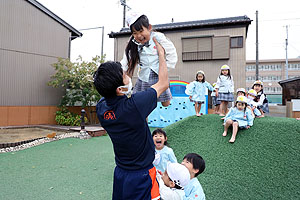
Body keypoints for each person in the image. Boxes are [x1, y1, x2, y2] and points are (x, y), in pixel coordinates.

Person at [94, 37, 168, 200]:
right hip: (141, 175)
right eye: (124, 74)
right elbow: (163, 83)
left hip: (121, 173)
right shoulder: (134, 106)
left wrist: (132, 50)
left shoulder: (101, 108)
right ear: (120, 89)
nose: (127, 74)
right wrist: (161, 55)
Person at [120, 11, 177, 107]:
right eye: (135, 33)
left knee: (166, 103)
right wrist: (122, 71)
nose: (139, 36)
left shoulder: (158, 37)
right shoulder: (133, 43)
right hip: (144, 75)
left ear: (149, 28)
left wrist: (166, 68)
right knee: (140, 103)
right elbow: (126, 58)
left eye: (141, 31)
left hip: (158, 73)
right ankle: (144, 119)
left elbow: (171, 51)